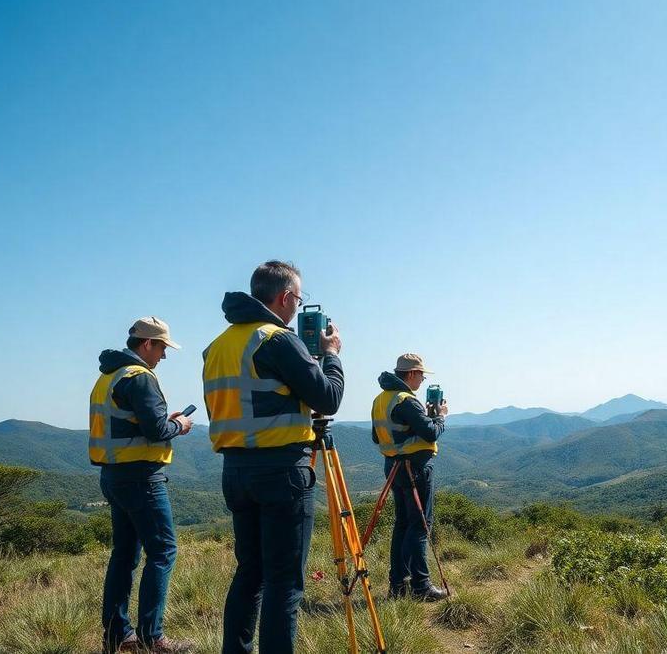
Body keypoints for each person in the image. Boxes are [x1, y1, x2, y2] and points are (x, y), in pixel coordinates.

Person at [203, 260, 343, 654]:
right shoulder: (277, 340)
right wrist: (331, 355)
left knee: (250, 573)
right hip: (281, 471)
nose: (298, 307)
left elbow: (253, 401)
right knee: (284, 583)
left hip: (236, 470)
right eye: (298, 298)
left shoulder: (217, 346)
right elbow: (328, 397)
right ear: (284, 297)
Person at [90, 317, 194, 654]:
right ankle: (153, 638)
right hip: (141, 478)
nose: (164, 355)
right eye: (162, 347)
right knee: (163, 551)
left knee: (124, 555)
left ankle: (117, 634)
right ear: (147, 344)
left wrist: (166, 421)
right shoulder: (141, 378)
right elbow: (155, 431)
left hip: (113, 475)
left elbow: (137, 423)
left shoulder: (108, 377)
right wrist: (178, 424)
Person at [371, 353, 449, 601]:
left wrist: (420, 419)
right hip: (415, 468)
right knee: (420, 526)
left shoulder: (381, 399)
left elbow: (377, 437)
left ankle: (398, 586)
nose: (423, 379)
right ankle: (421, 587)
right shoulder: (406, 400)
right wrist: (440, 416)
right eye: (422, 375)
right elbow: (430, 433)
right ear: (412, 374)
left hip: (393, 466)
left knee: (403, 524)